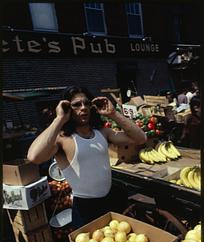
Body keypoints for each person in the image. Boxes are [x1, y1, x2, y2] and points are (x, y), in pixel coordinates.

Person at [27, 86, 147, 228]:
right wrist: (59, 119)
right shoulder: (62, 139)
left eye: (87, 103)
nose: (83, 108)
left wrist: (114, 114)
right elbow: (34, 157)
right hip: (85, 208)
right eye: (76, 104)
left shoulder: (102, 132)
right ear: (67, 108)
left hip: (110, 200)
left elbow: (141, 138)